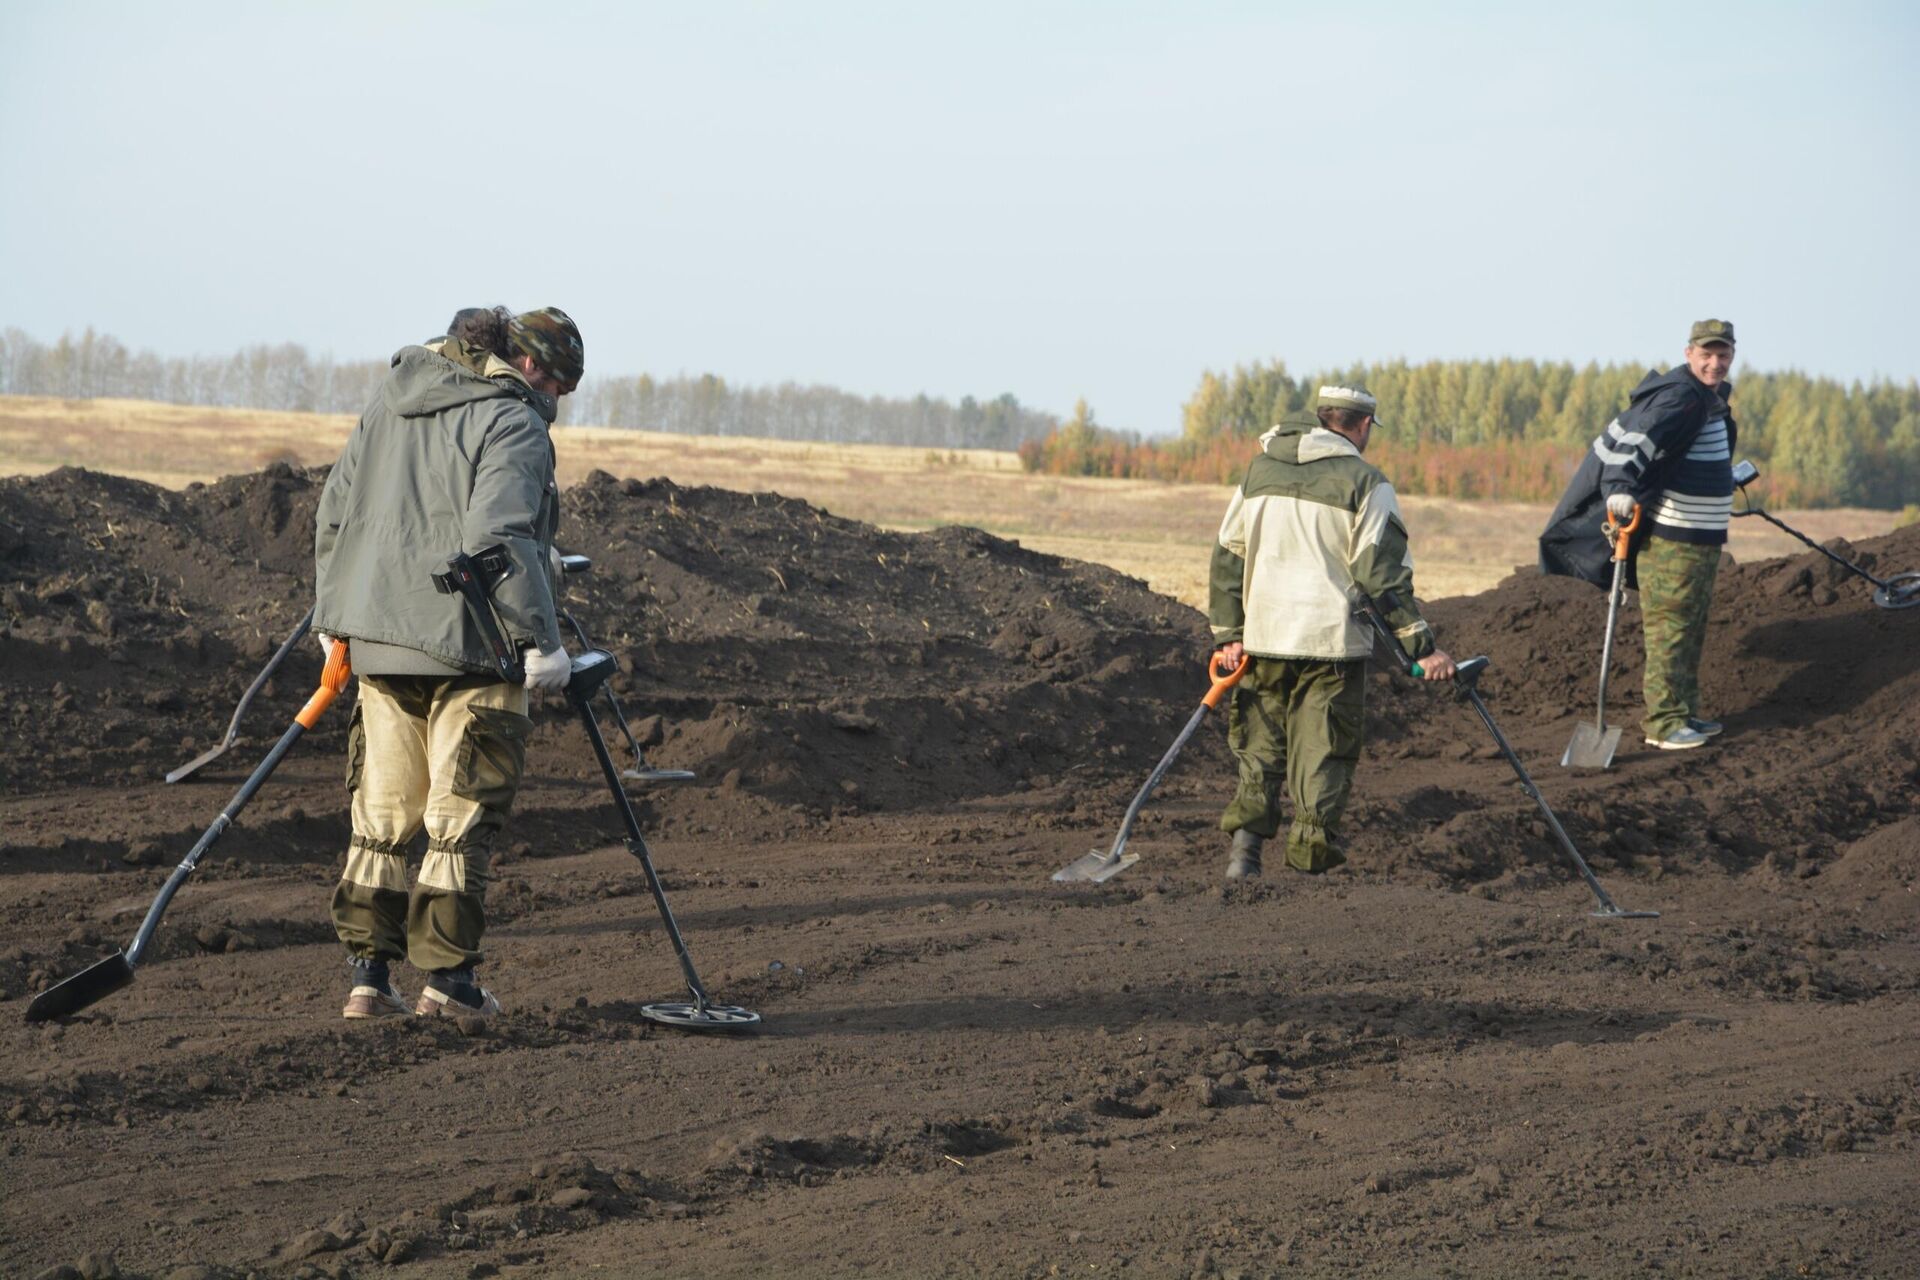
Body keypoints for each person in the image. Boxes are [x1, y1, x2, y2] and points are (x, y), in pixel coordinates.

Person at [313, 306, 586, 1020]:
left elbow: (335, 511)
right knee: (458, 817)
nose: (557, 400)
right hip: (473, 648)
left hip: (377, 640)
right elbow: (496, 537)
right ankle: (447, 983)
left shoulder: (391, 401)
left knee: (381, 812)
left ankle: (367, 980)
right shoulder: (513, 420)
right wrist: (544, 644)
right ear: (528, 366)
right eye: (559, 383)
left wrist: (333, 619)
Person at [1208, 384, 1456, 879]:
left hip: (1262, 638)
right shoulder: (1366, 481)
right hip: (1330, 645)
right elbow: (1380, 574)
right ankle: (1308, 871)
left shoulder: (1258, 472)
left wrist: (1229, 633)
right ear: (1362, 426)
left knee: (1260, 748)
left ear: (1323, 418)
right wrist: (1421, 648)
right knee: (1323, 752)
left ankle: (1244, 860)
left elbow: (1227, 554)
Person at [1539, 319, 1737, 751]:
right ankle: (1663, 724)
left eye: (1723, 355)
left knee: (1691, 628)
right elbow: (1633, 446)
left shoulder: (1709, 398)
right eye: (1707, 355)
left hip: (1702, 541)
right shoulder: (1680, 397)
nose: (1715, 363)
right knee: (1670, 630)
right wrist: (1620, 491)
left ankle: (1683, 713)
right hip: (1673, 543)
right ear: (1689, 354)